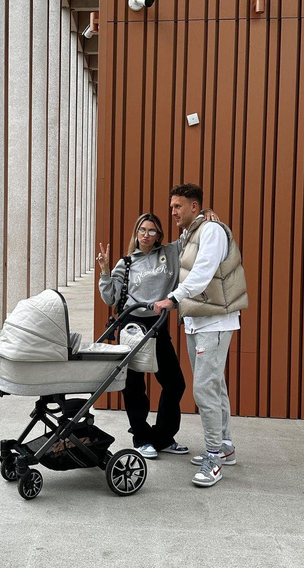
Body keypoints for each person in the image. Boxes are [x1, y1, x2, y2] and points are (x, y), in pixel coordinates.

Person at [154, 183, 248, 488]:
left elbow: (203, 271)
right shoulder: (190, 233)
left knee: (204, 390)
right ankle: (225, 446)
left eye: (178, 206)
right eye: (172, 206)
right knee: (214, 386)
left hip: (215, 322)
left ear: (194, 206)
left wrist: (173, 298)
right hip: (198, 320)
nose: (173, 212)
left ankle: (213, 459)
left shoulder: (212, 231)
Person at [97, 213, 188, 459]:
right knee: (134, 386)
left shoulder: (170, 253)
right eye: (142, 230)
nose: (146, 235)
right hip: (132, 326)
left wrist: (206, 214)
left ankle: (163, 437)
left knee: (174, 383)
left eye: (151, 231)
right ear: (136, 233)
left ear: (159, 235)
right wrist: (105, 271)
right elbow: (110, 299)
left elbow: (190, 235)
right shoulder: (126, 263)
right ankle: (141, 438)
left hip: (157, 325)